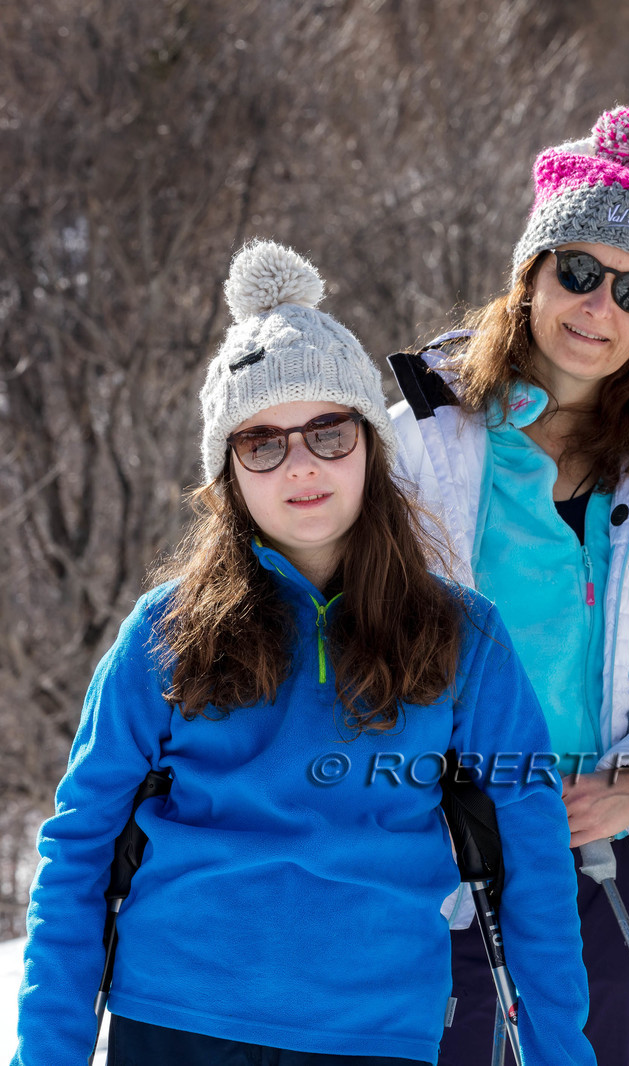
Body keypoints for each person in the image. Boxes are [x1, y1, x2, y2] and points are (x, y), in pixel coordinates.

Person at [12, 241, 593, 1066]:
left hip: (377, 1029)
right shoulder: (164, 631)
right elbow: (77, 855)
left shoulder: (466, 638)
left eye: (327, 431)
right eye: (262, 443)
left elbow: (534, 865)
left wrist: (559, 1052)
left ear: (370, 445)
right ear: (227, 477)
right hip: (177, 1019)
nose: (301, 466)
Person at [386, 106, 629, 1066]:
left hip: (609, 869)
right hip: (444, 860)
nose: (600, 308)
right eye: (580, 272)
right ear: (531, 271)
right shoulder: (421, 445)